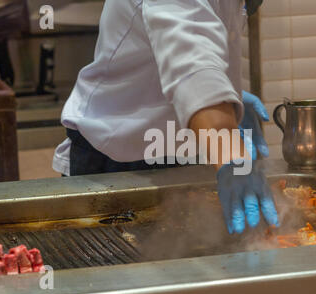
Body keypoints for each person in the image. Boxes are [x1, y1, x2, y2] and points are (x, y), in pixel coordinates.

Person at [52, 0, 278, 234]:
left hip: (177, 146)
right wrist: (230, 148)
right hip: (114, 160)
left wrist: (232, 96)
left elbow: (195, 45)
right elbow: (192, 67)